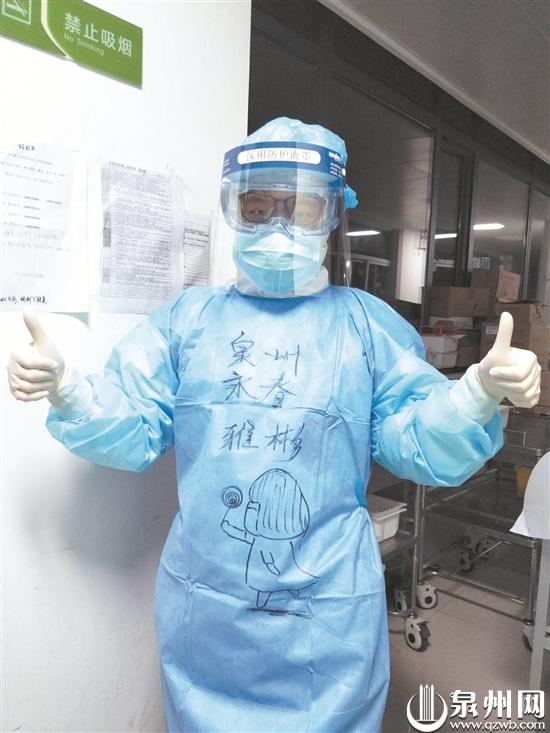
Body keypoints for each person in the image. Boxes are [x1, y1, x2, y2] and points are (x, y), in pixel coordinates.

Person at [7, 117, 541, 733]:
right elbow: (133, 421)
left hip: (329, 610)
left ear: (332, 215)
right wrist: (69, 389)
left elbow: (418, 440)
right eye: (258, 208)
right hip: (209, 608)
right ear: (232, 210)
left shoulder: (365, 327)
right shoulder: (188, 322)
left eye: (301, 209)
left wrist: (474, 394)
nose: (277, 227)